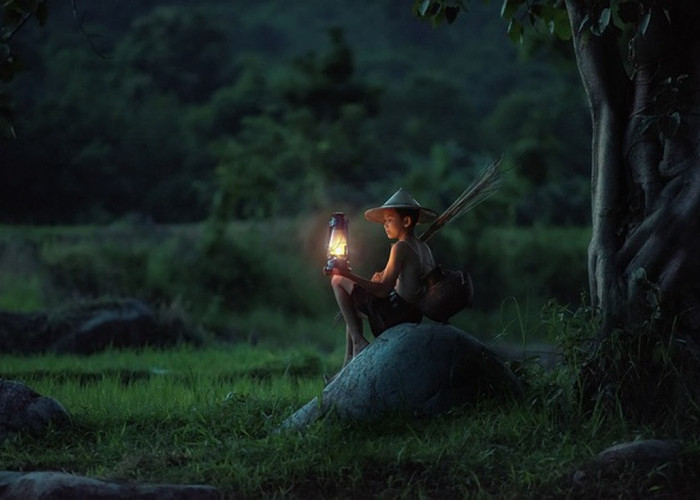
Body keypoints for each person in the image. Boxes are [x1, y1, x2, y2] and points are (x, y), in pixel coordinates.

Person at [328, 188, 437, 372]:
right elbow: (409, 285)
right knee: (352, 311)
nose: (385, 225)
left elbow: (382, 291)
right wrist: (384, 279)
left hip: (395, 315)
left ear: (406, 221)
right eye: (384, 221)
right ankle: (348, 362)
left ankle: (358, 342)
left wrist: (348, 274)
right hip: (413, 314)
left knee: (337, 280)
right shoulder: (424, 248)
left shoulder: (400, 247)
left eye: (389, 220)